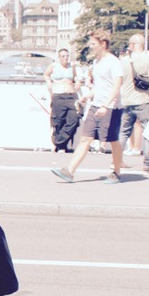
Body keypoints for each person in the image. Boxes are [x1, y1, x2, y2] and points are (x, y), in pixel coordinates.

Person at [51, 29, 125, 184]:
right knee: (85, 138)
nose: (90, 46)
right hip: (96, 105)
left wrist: (106, 105)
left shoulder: (114, 62)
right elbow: (100, 86)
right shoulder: (97, 62)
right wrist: (87, 95)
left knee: (112, 140)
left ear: (103, 44)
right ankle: (69, 171)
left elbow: (116, 87)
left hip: (111, 108)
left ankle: (116, 172)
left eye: (93, 43)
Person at [118, 34, 149, 174]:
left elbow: (118, 81)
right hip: (144, 101)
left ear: (133, 44)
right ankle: (147, 164)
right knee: (148, 133)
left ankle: (116, 160)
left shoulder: (123, 61)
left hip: (126, 101)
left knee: (123, 132)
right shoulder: (148, 59)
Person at [43, 48, 80, 152]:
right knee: (58, 121)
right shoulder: (54, 66)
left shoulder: (72, 66)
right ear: (59, 57)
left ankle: (57, 141)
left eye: (67, 56)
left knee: (74, 119)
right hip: (58, 95)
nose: (65, 58)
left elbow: (76, 77)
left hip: (71, 95)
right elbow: (46, 74)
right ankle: (62, 146)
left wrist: (77, 82)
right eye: (63, 56)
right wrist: (49, 82)